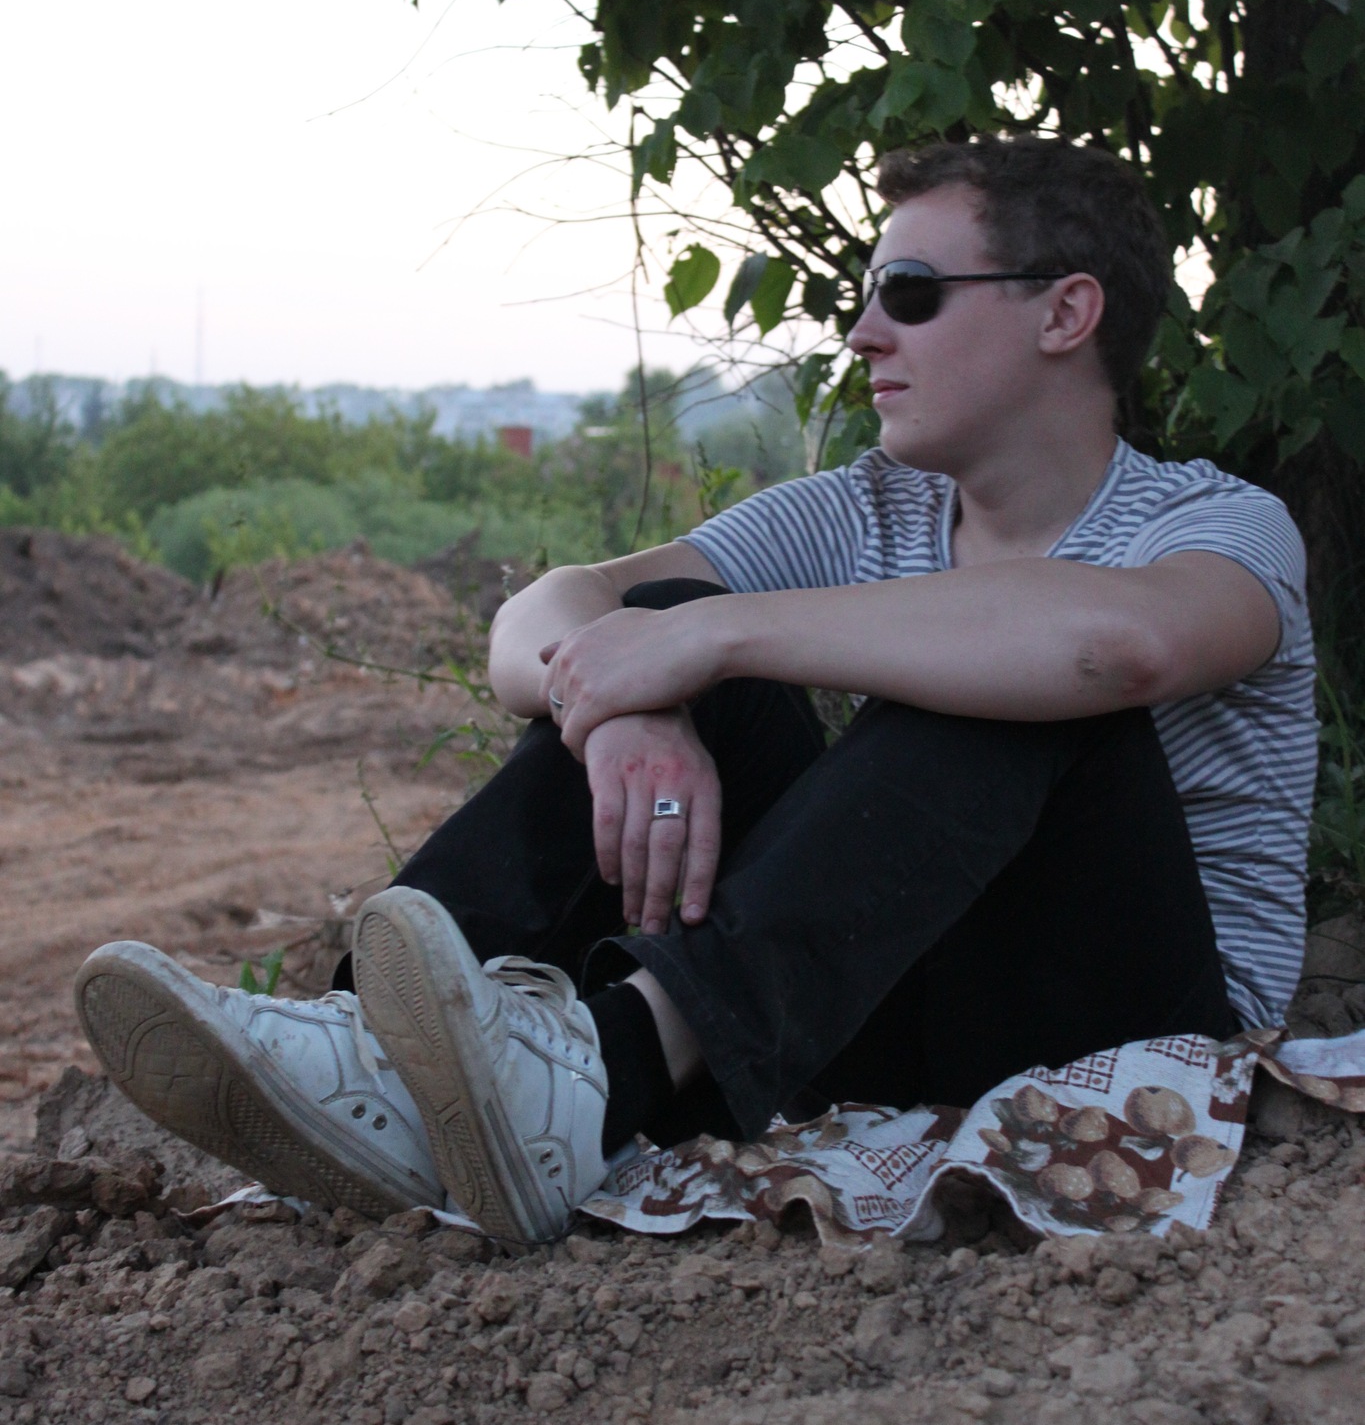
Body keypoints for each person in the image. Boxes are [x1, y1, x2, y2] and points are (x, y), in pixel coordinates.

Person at [75, 136, 1317, 1247]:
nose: (862, 333)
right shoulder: (862, 510)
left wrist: (716, 637)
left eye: (909, 292)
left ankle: (605, 1070)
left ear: (1066, 312)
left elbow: (1122, 647)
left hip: (1130, 1024)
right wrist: (631, 704)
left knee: (998, 658)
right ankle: (373, 1064)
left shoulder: (1219, 523)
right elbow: (543, 613)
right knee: (658, 619)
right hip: (886, 1007)